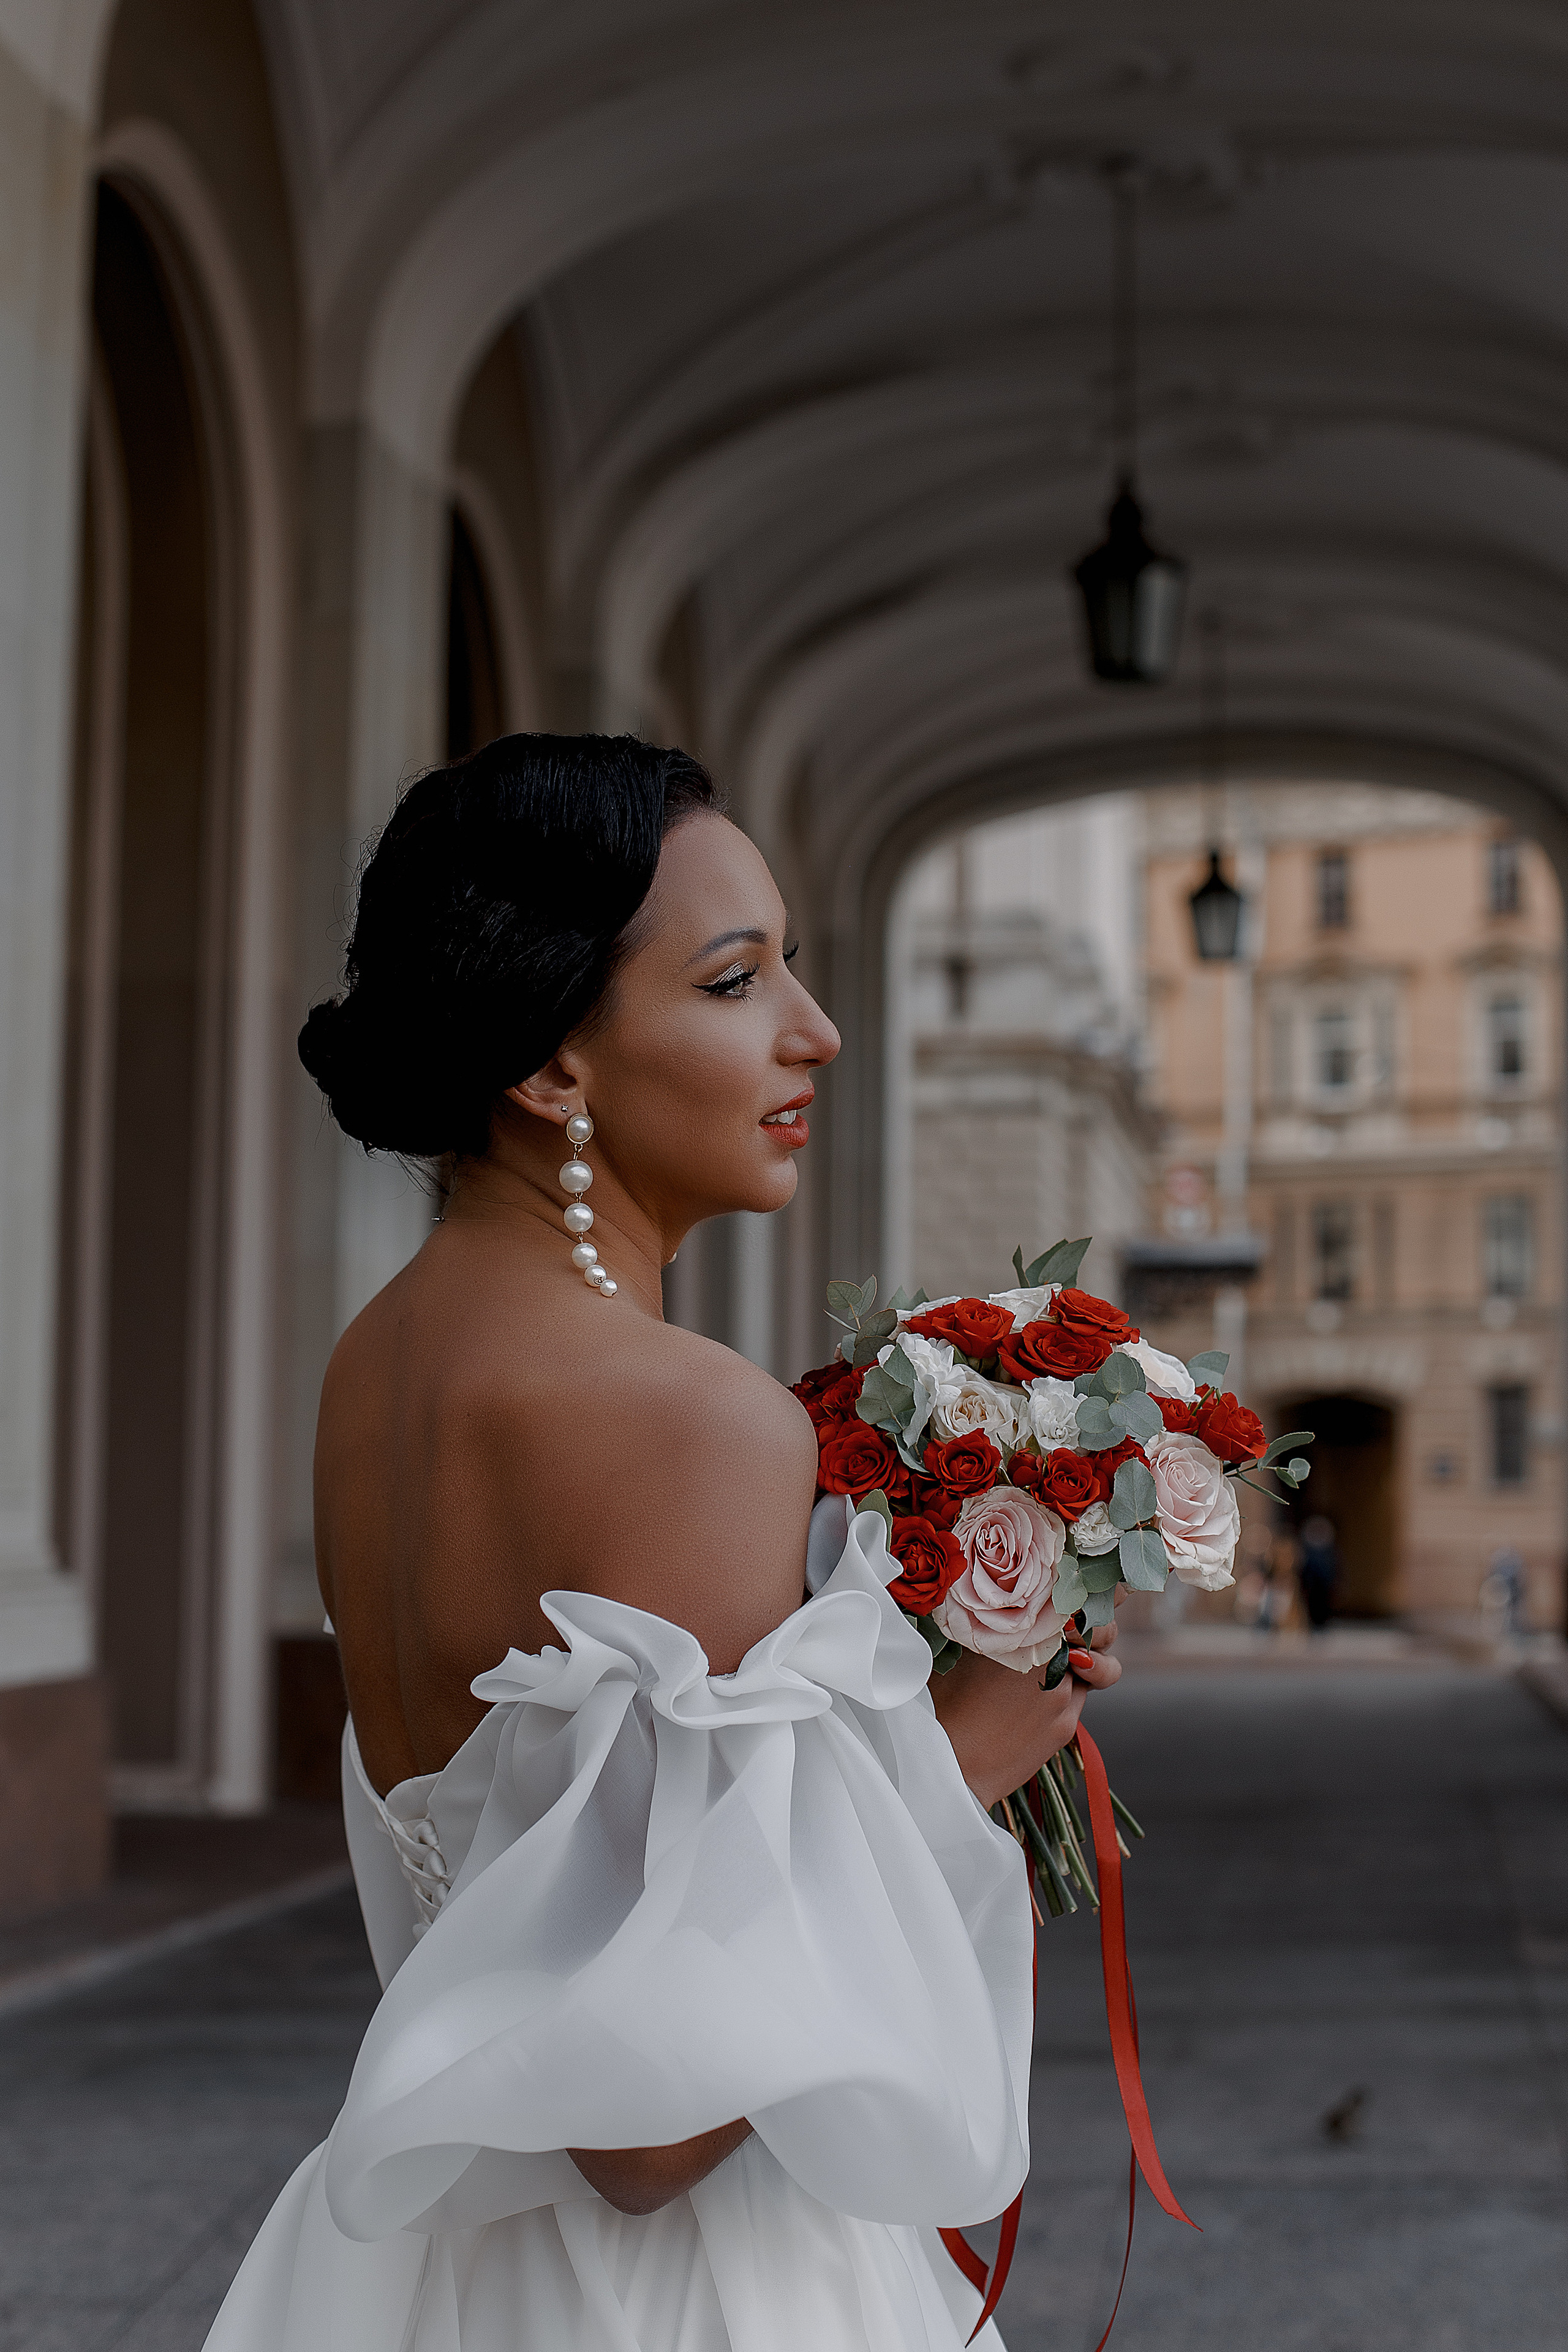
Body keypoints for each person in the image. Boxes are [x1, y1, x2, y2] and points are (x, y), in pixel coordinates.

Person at [203, 734, 1120, 2352]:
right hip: (704, 2294)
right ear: (555, 1062)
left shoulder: (378, 1368)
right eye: (733, 980)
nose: (815, 1032)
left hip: (438, 2274)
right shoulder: (690, 1419)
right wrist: (949, 1769)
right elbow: (646, 2135)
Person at [1298, 1515, 1338, 1630]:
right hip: (1313, 1582)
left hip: (1323, 1582)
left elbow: (1334, 1566)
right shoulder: (1309, 1548)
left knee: (1323, 1605)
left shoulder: (1328, 1550)